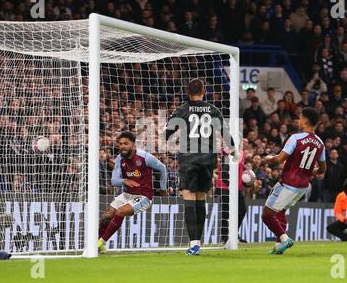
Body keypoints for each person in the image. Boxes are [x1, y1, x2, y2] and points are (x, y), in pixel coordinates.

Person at [164, 78, 240, 255]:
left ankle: (194, 244)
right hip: (208, 161)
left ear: (188, 93)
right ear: (203, 92)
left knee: (189, 200)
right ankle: (198, 243)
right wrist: (234, 151)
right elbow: (225, 133)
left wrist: (166, 133)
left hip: (189, 159)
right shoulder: (213, 110)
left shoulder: (182, 109)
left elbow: (168, 132)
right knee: (201, 199)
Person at [262, 107, 327, 254]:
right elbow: (322, 169)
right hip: (303, 187)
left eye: (301, 117)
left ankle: (285, 239)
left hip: (287, 183)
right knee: (281, 212)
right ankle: (279, 246)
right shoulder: (320, 143)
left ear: (306, 120)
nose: (299, 120)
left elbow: (279, 159)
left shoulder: (296, 138)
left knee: (267, 215)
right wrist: (311, 170)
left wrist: (267, 159)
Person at [98, 131, 169, 254]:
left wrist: (163, 188)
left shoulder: (145, 157)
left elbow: (162, 168)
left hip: (144, 197)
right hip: (127, 194)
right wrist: (125, 181)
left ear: (133, 144)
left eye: (126, 143)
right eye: (120, 144)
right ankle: (99, 244)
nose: (122, 147)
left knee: (120, 211)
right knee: (106, 216)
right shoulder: (120, 159)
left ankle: (99, 243)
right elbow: (114, 181)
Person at [215, 148, 247, 244]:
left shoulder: (241, 152)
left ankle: (233, 234)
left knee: (242, 210)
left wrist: (246, 181)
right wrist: (231, 185)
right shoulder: (226, 152)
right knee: (226, 213)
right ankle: (225, 238)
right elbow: (224, 172)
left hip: (236, 187)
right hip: (224, 186)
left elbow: (240, 170)